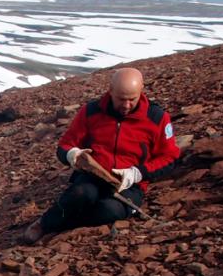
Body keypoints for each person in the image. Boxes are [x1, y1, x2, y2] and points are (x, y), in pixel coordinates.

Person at [23, 67, 181, 242]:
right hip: (92, 175)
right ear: (110, 91)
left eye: (132, 99)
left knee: (110, 211)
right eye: (121, 99)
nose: (126, 106)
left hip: (130, 184)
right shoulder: (91, 111)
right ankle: (44, 224)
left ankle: (65, 227)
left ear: (141, 90)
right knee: (81, 193)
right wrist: (73, 155)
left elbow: (169, 157)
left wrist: (137, 173)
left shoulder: (157, 118)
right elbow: (65, 145)